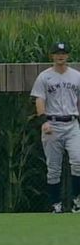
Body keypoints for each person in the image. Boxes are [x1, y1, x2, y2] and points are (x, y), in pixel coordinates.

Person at [30, 42, 80, 213]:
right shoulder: (45, 77)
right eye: (57, 53)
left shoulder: (76, 76)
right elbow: (39, 99)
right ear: (51, 55)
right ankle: (55, 204)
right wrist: (44, 120)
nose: (61, 56)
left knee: (78, 161)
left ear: (68, 55)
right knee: (53, 168)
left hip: (72, 123)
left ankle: (76, 201)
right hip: (52, 123)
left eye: (64, 53)